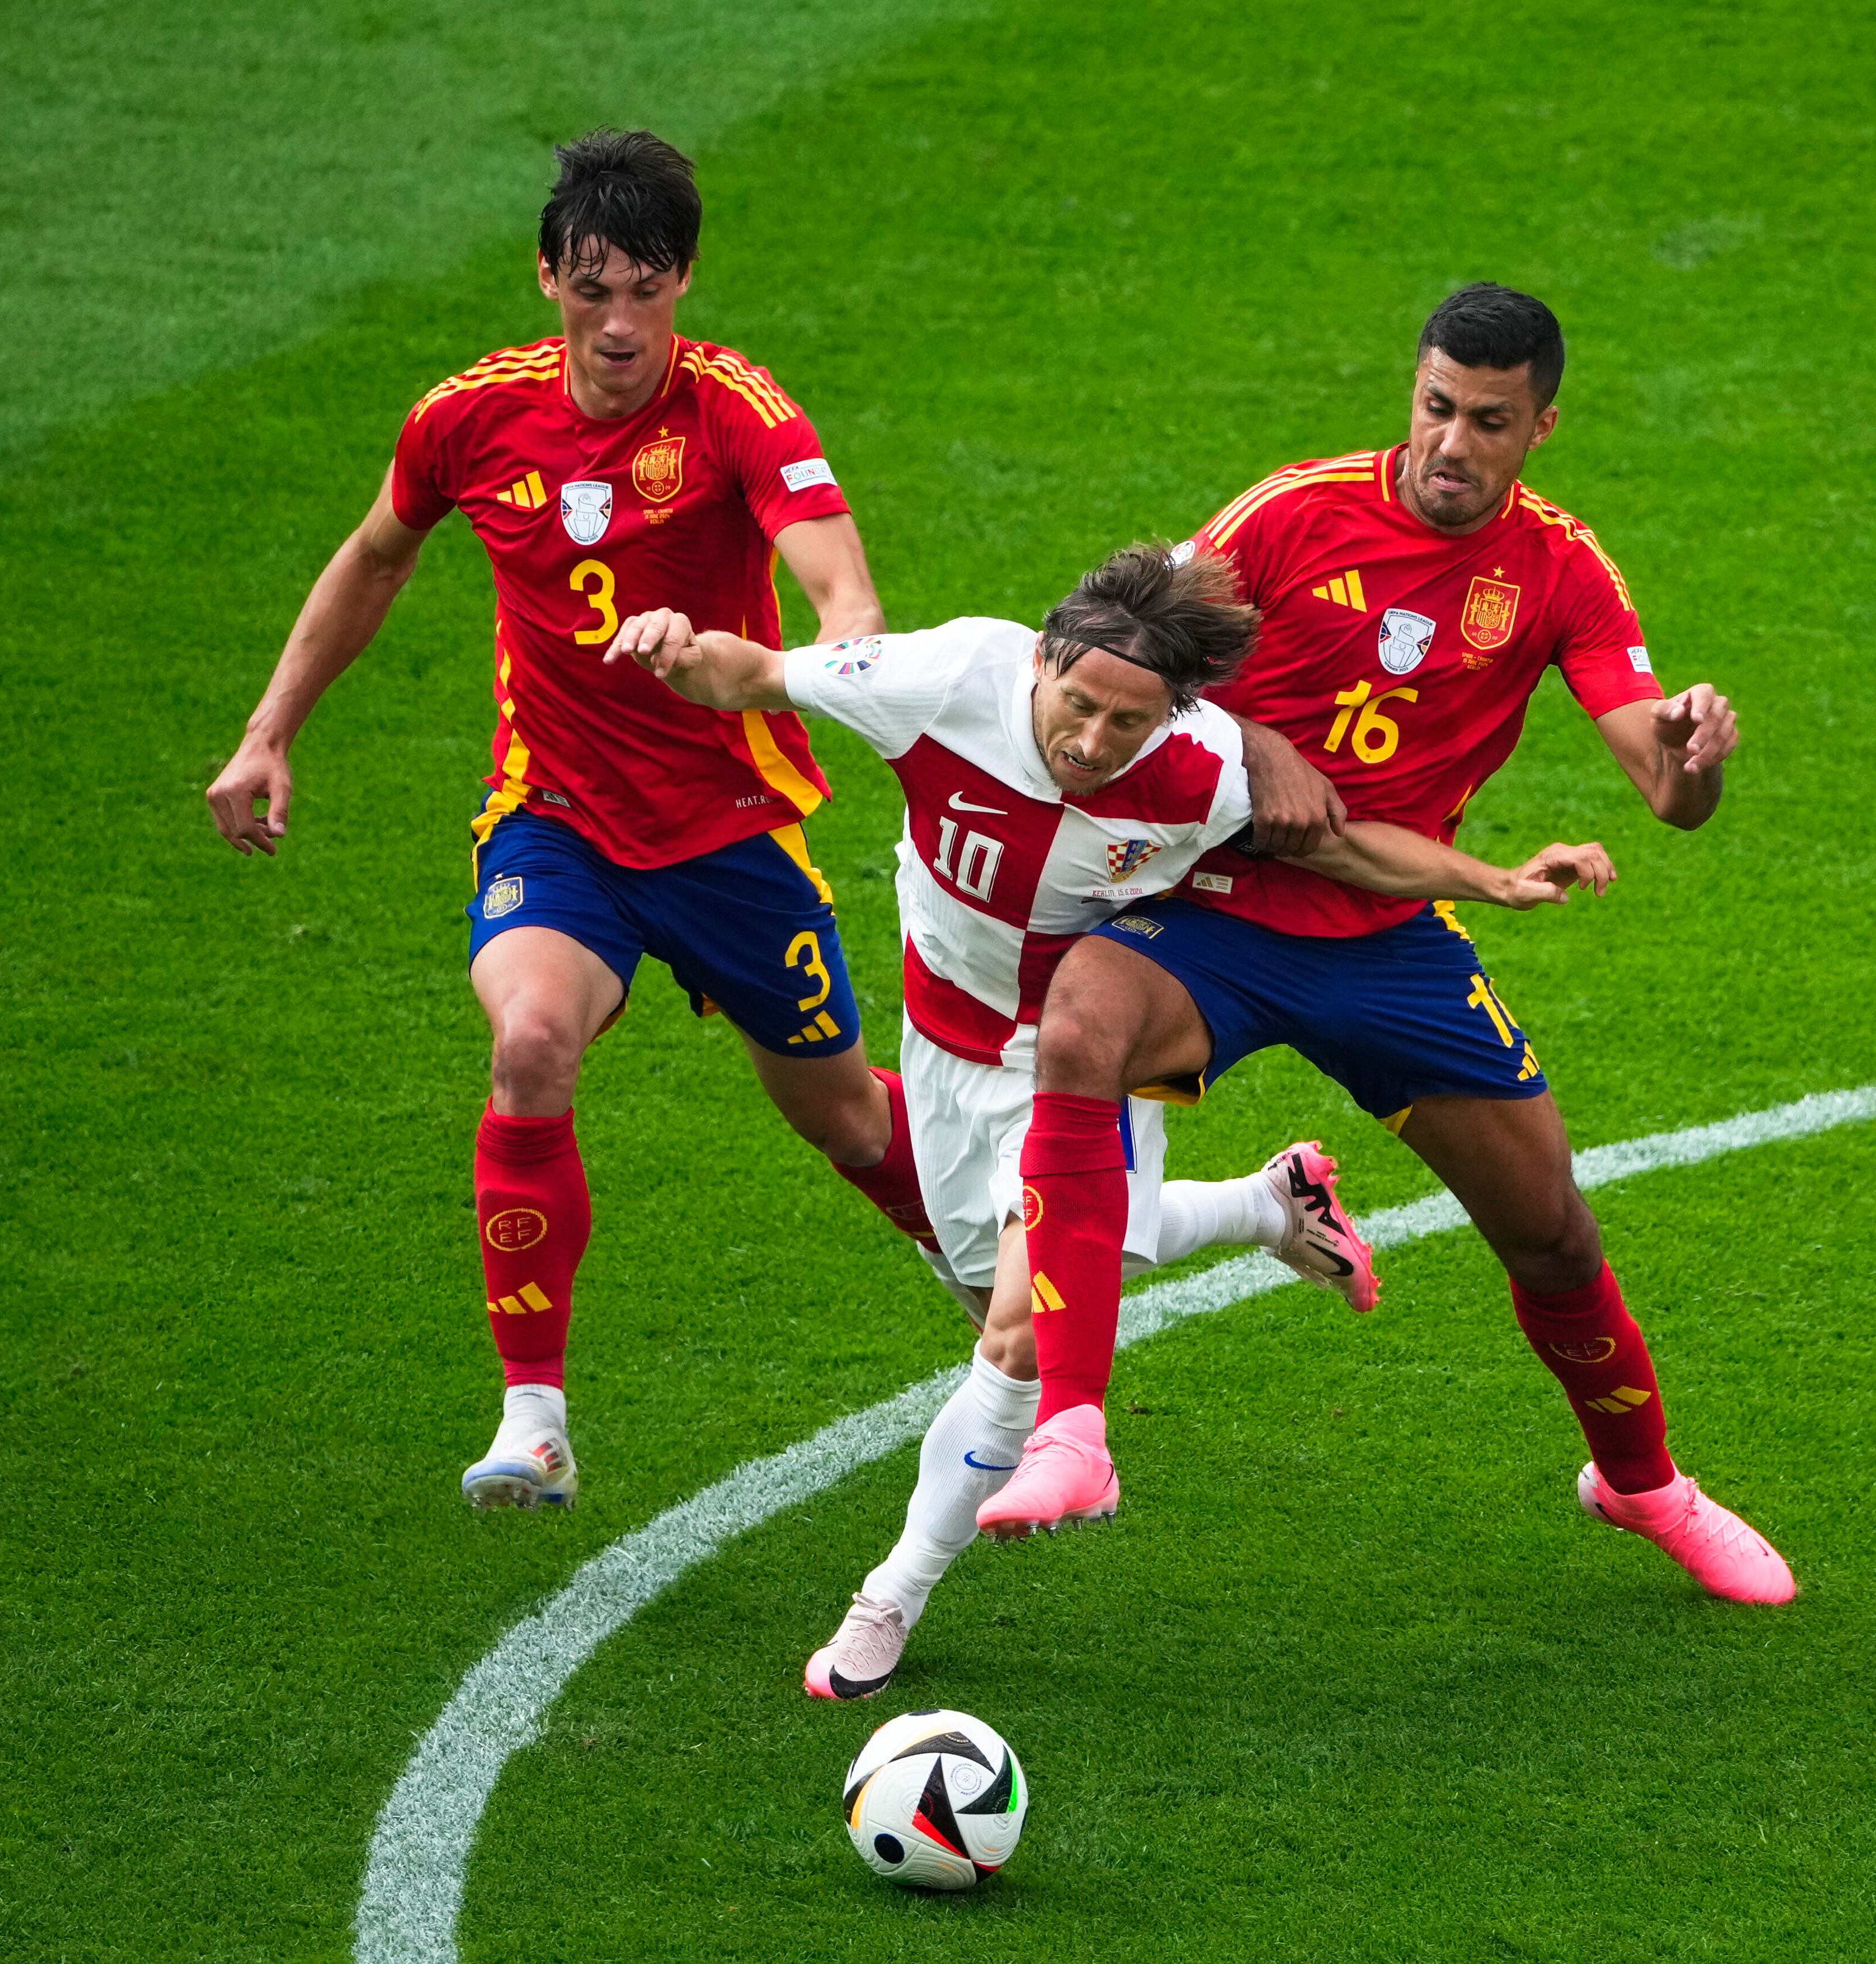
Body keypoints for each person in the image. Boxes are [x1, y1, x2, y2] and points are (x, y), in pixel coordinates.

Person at [608, 540, 1621, 1695]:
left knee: (1019, 1335)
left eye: (1125, 724)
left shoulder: (1204, 771)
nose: (1089, 741)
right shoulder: (943, 677)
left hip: (1082, 1064)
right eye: (1076, 705)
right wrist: (677, 650)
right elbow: (759, 676)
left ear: (1176, 715)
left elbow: (1339, 847)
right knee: (997, 1274)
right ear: (1039, 659)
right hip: (943, 1055)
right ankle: (1265, 1204)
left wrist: (1494, 878)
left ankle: (887, 1595)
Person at [983, 285, 1795, 1605]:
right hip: (1213, 911)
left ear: (1540, 426)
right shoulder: (1293, 512)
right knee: (1081, 1024)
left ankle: (1642, 1483)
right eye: (1434, 407)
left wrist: (1696, 758)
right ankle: (1075, 1431)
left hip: (1388, 931)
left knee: (1550, 1233)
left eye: (1488, 420)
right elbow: (1129, 658)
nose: (1449, 444)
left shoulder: (1561, 570)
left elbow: (1663, 790)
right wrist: (1250, 740)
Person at [203, 129, 939, 1511]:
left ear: (684, 284)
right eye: (592, 290)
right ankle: (532, 1415)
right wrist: (268, 731)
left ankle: (982, 1284)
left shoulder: (736, 410)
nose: (619, 325)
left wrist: (811, 658)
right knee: (530, 1039)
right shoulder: (468, 418)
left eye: (646, 291)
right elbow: (376, 556)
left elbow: (844, 592)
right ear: (547, 277)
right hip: (559, 818)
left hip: (728, 825)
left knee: (841, 1115)